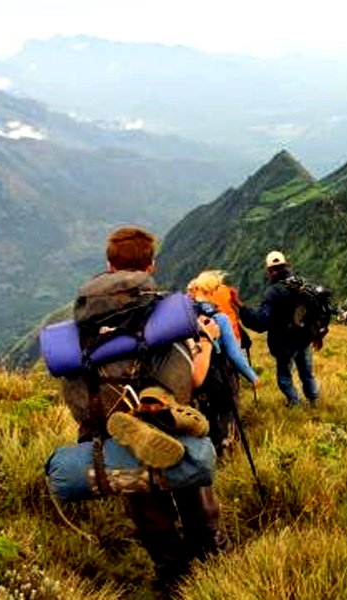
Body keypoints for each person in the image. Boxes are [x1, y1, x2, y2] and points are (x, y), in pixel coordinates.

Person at [58, 226, 228, 592]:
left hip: (109, 428)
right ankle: (212, 566)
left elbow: (71, 386)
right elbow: (194, 379)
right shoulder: (166, 312)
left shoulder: (82, 318)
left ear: (108, 264)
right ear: (150, 266)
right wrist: (210, 342)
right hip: (172, 431)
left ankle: (172, 577)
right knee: (194, 494)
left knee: (148, 511)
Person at [187, 270, 259, 453]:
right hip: (219, 373)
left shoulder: (185, 315)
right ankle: (227, 445)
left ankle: (208, 446)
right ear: (213, 290)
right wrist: (252, 376)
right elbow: (234, 354)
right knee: (227, 408)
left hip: (193, 372)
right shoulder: (219, 318)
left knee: (205, 411)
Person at [239, 250, 320, 408]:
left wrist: (243, 310)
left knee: (284, 377)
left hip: (284, 344)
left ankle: (294, 404)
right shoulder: (302, 283)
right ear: (286, 265)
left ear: (269, 271)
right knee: (307, 373)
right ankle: (313, 401)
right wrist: (316, 334)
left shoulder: (273, 292)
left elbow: (261, 323)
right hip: (304, 339)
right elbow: (313, 311)